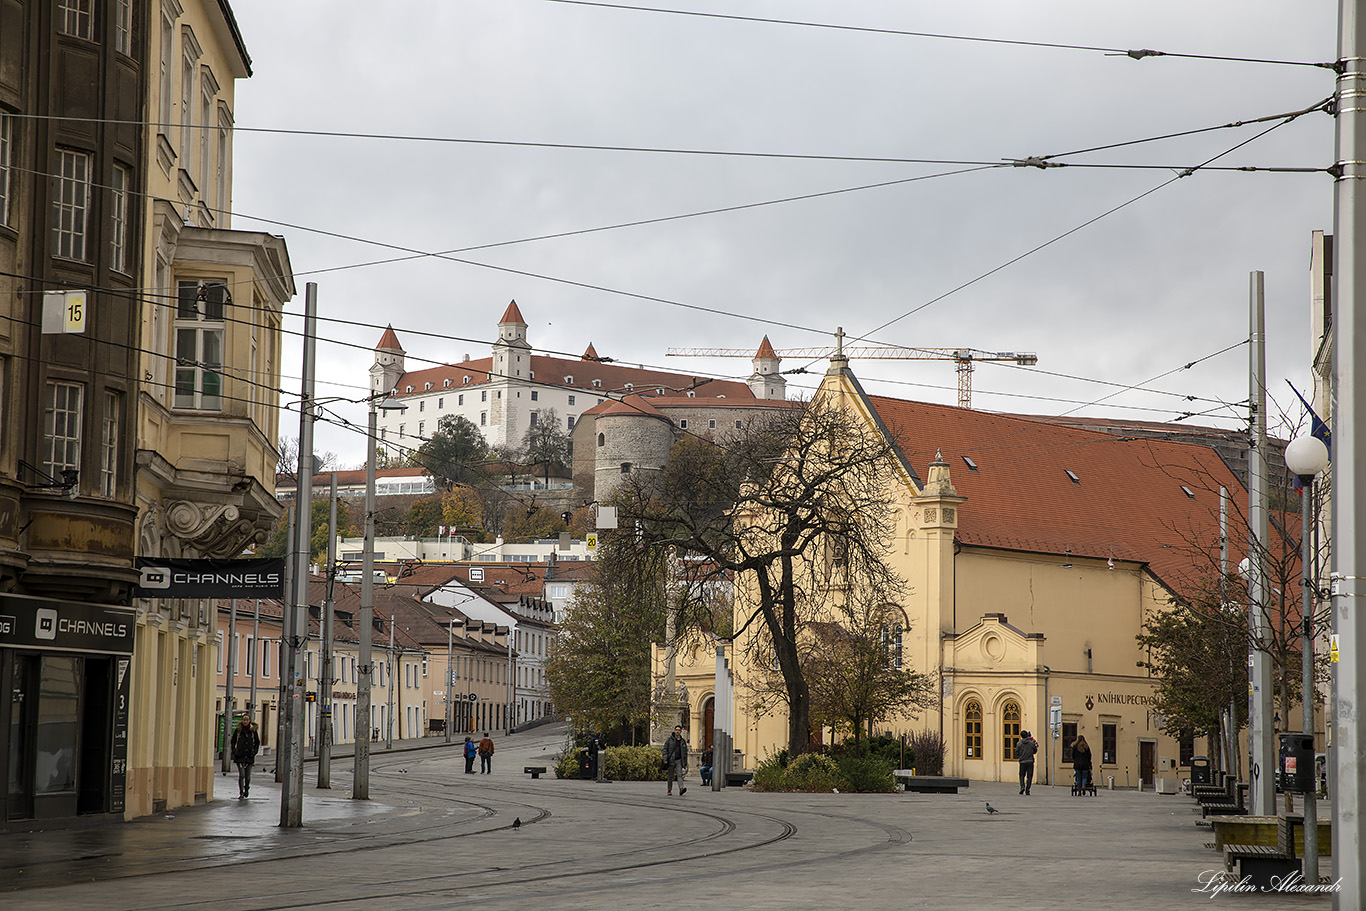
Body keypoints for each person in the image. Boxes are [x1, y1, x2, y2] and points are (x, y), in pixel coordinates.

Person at [230, 715, 260, 799]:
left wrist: (254, 752)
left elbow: (257, 742)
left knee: (248, 776)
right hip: (240, 756)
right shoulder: (238, 730)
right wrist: (234, 751)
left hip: (249, 756)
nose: (245, 721)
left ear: (249, 721)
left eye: (247, 720)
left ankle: (246, 788)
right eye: (244, 720)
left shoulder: (253, 731)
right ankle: (241, 792)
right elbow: (233, 741)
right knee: (241, 775)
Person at [663, 724, 689, 796]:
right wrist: (665, 759)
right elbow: (665, 749)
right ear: (674, 731)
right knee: (670, 776)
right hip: (671, 760)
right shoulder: (669, 739)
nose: (677, 731)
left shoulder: (682, 741)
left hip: (679, 760)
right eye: (676, 730)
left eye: (679, 730)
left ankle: (681, 788)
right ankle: (669, 790)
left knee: (679, 774)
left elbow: (685, 753)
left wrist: (685, 762)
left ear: (680, 731)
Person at [1015, 730, 1038, 795]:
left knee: (1021, 775)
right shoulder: (1031, 743)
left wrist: (1020, 756)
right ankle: (1027, 789)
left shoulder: (1019, 744)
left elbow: (1016, 752)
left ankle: (1022, 787)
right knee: (1029, 776)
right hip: (1030, 761)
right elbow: (1035, 750)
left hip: (1022, 761)